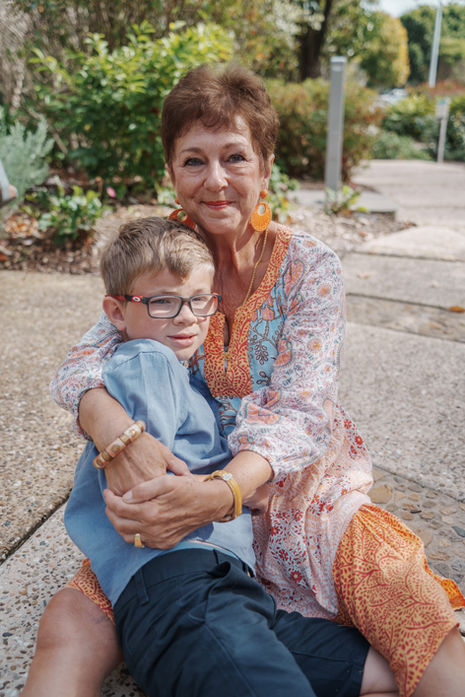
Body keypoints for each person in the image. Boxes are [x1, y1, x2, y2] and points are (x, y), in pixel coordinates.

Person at [22, 64, 465, 697]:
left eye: (235, 157)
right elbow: (81, 363)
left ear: (265, 164)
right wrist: (121, 437)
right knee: (74, 617)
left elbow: (303, 410)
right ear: (171, 170)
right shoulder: (161, 260)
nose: (216, 181)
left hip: (294, 494)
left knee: (409, 603)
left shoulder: (308, 265)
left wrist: (224, 493)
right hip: (179, 497)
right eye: (194, 161)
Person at [26, 214, 397, 697]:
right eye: (162, 302)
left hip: (231, 592)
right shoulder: (147, 362)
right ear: (116, 313)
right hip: (179, 585)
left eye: (199, 300)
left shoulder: (185, 375)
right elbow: (146, 477)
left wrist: (242, 486)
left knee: (387, 672)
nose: (185, 316)